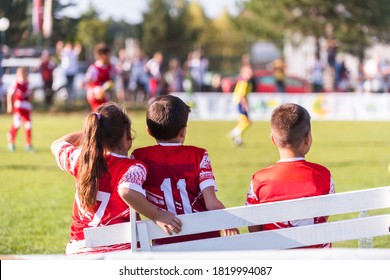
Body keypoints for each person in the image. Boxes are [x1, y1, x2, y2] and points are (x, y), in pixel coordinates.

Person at [51, 102, 181, 255]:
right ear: (128, 137)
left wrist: (92, 133)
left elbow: (57, 144)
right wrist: (157, 215)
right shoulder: (134, 167)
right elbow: (126, 190)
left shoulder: (81, 160)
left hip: (79, 251)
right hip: (120, 252)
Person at [131, 95, 239, 245]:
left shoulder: (139, 157)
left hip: (165, 243)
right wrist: (229, 221)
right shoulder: (199, 155)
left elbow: (132, 199)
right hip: (206, 240)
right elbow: (212, 203)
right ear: (183, 132)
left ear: (149, 131)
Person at [245, 103, 335, 248]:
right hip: (317, 262)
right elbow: (323, 217)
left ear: (273, 139)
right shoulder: (323, 175)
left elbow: (254, 228)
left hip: (276, 262)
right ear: (307, 138)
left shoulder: (259, 180)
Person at [6, 67, 34, 152]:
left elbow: (30, 95)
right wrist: (9, 105)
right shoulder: (16, 83)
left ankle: (28, 144)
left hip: (26, 106)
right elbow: (10, 95)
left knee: (28, 125)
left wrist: (31, 99)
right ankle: (11, 141)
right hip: (18, 106)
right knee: (17, 124)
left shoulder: (28, 83)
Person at [85, 43, 116, 111]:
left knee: (106, 111)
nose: (110, 58)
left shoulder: (110, 67)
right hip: (95, 93)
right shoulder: (94, 68)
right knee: (99, 91)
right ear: (103, 56)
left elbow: (118, 73)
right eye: (109, 56)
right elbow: (89, 79)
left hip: (105, 95)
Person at [228, 65, 253, 146]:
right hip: (239, 103)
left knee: (242, 123)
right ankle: (233, 134)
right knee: (246, 122)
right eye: (249, 72)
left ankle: (238, 139)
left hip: (240, 103)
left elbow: (245, 95)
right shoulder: (244, 82)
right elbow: (241, 95)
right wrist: (245, 105)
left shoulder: (247, 82)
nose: (251, 73)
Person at [56, 41, 81, 107]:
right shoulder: (64, 52)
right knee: (66, 85)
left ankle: (70, 100)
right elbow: (59, 52)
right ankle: (67, 98)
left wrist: (78, 46)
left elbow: (78, 51)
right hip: (65, 72)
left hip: (72, 72)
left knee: (71, 87)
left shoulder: (73, 53)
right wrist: (59, 46)